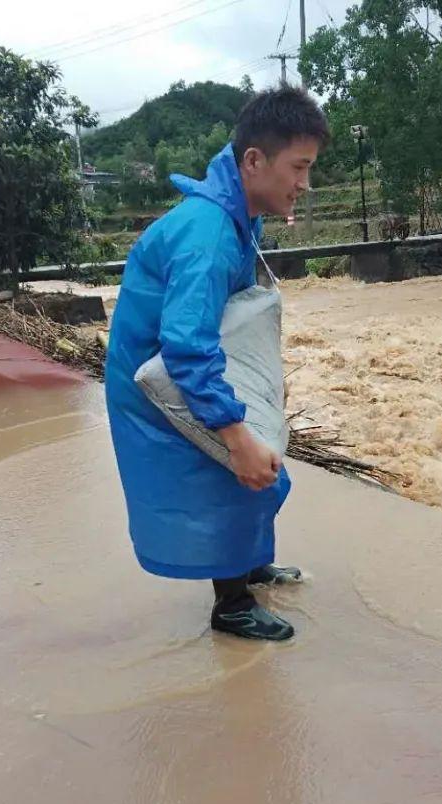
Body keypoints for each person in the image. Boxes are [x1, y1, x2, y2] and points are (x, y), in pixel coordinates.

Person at [104, 86, 329, 642]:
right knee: (237, 474)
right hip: (158, 383)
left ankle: (247, 568)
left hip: (189, 364)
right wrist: (233, 431)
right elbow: (185, 347)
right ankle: (231, 605)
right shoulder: (207, 236)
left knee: (257, 469)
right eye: (298, 167)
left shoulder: (235, 214)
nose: (305, 183)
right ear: (254, 161)